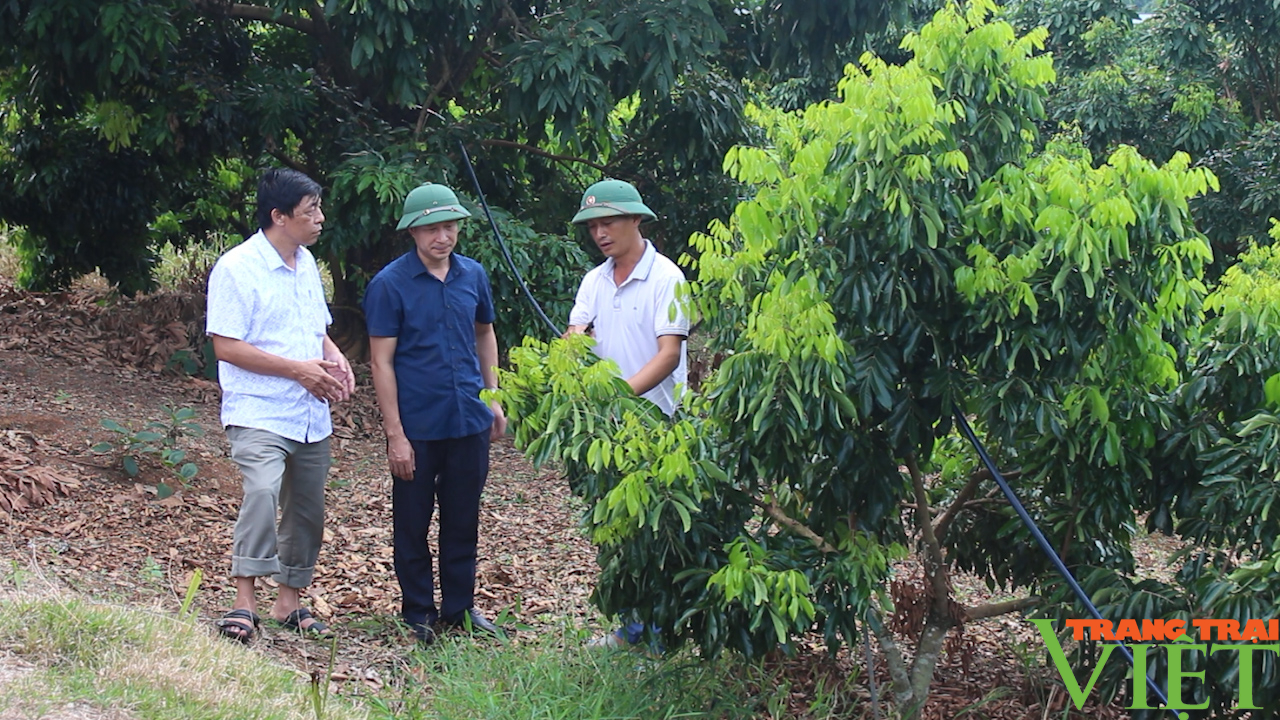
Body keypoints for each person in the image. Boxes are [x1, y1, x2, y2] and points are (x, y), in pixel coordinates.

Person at [206, 168, 355, 643]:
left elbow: (317, 328)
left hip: (310, 414)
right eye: (311, 211)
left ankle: (288, 601)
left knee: (308, 508)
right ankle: (243, 601)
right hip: (258, 410)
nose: (320, 219)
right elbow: (226, 346)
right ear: (278, 216)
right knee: (262, 492)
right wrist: (298, 370)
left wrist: (334, 357)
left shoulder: (307, 263)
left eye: (318, 209)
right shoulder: (236, 268)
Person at [363, 182, 507, 645]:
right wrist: (395, 435)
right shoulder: (389, 285)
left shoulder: (473, 276)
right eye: (431, 229)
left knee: (463, 517)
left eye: (449, 227)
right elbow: (381, 361)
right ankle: (418, 611)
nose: (441, 237)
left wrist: (493, 397)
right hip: (418, 424)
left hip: (468, 416)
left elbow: (485, 334)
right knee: (412, 520)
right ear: (413, 232)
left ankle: (459, 608)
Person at [565, 179, 690, 648]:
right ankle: (629, 630)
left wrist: (621, 397)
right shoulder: (594, 281)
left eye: (609, 221)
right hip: (602, 430)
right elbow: (577, 335)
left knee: (654, 532)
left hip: (656, 424)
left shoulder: (666, 278)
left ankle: (660, 635)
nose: (600, 232)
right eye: (593, 225)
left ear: (637, 220)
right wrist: (571, 347)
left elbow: (668, 355)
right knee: (613, 530)